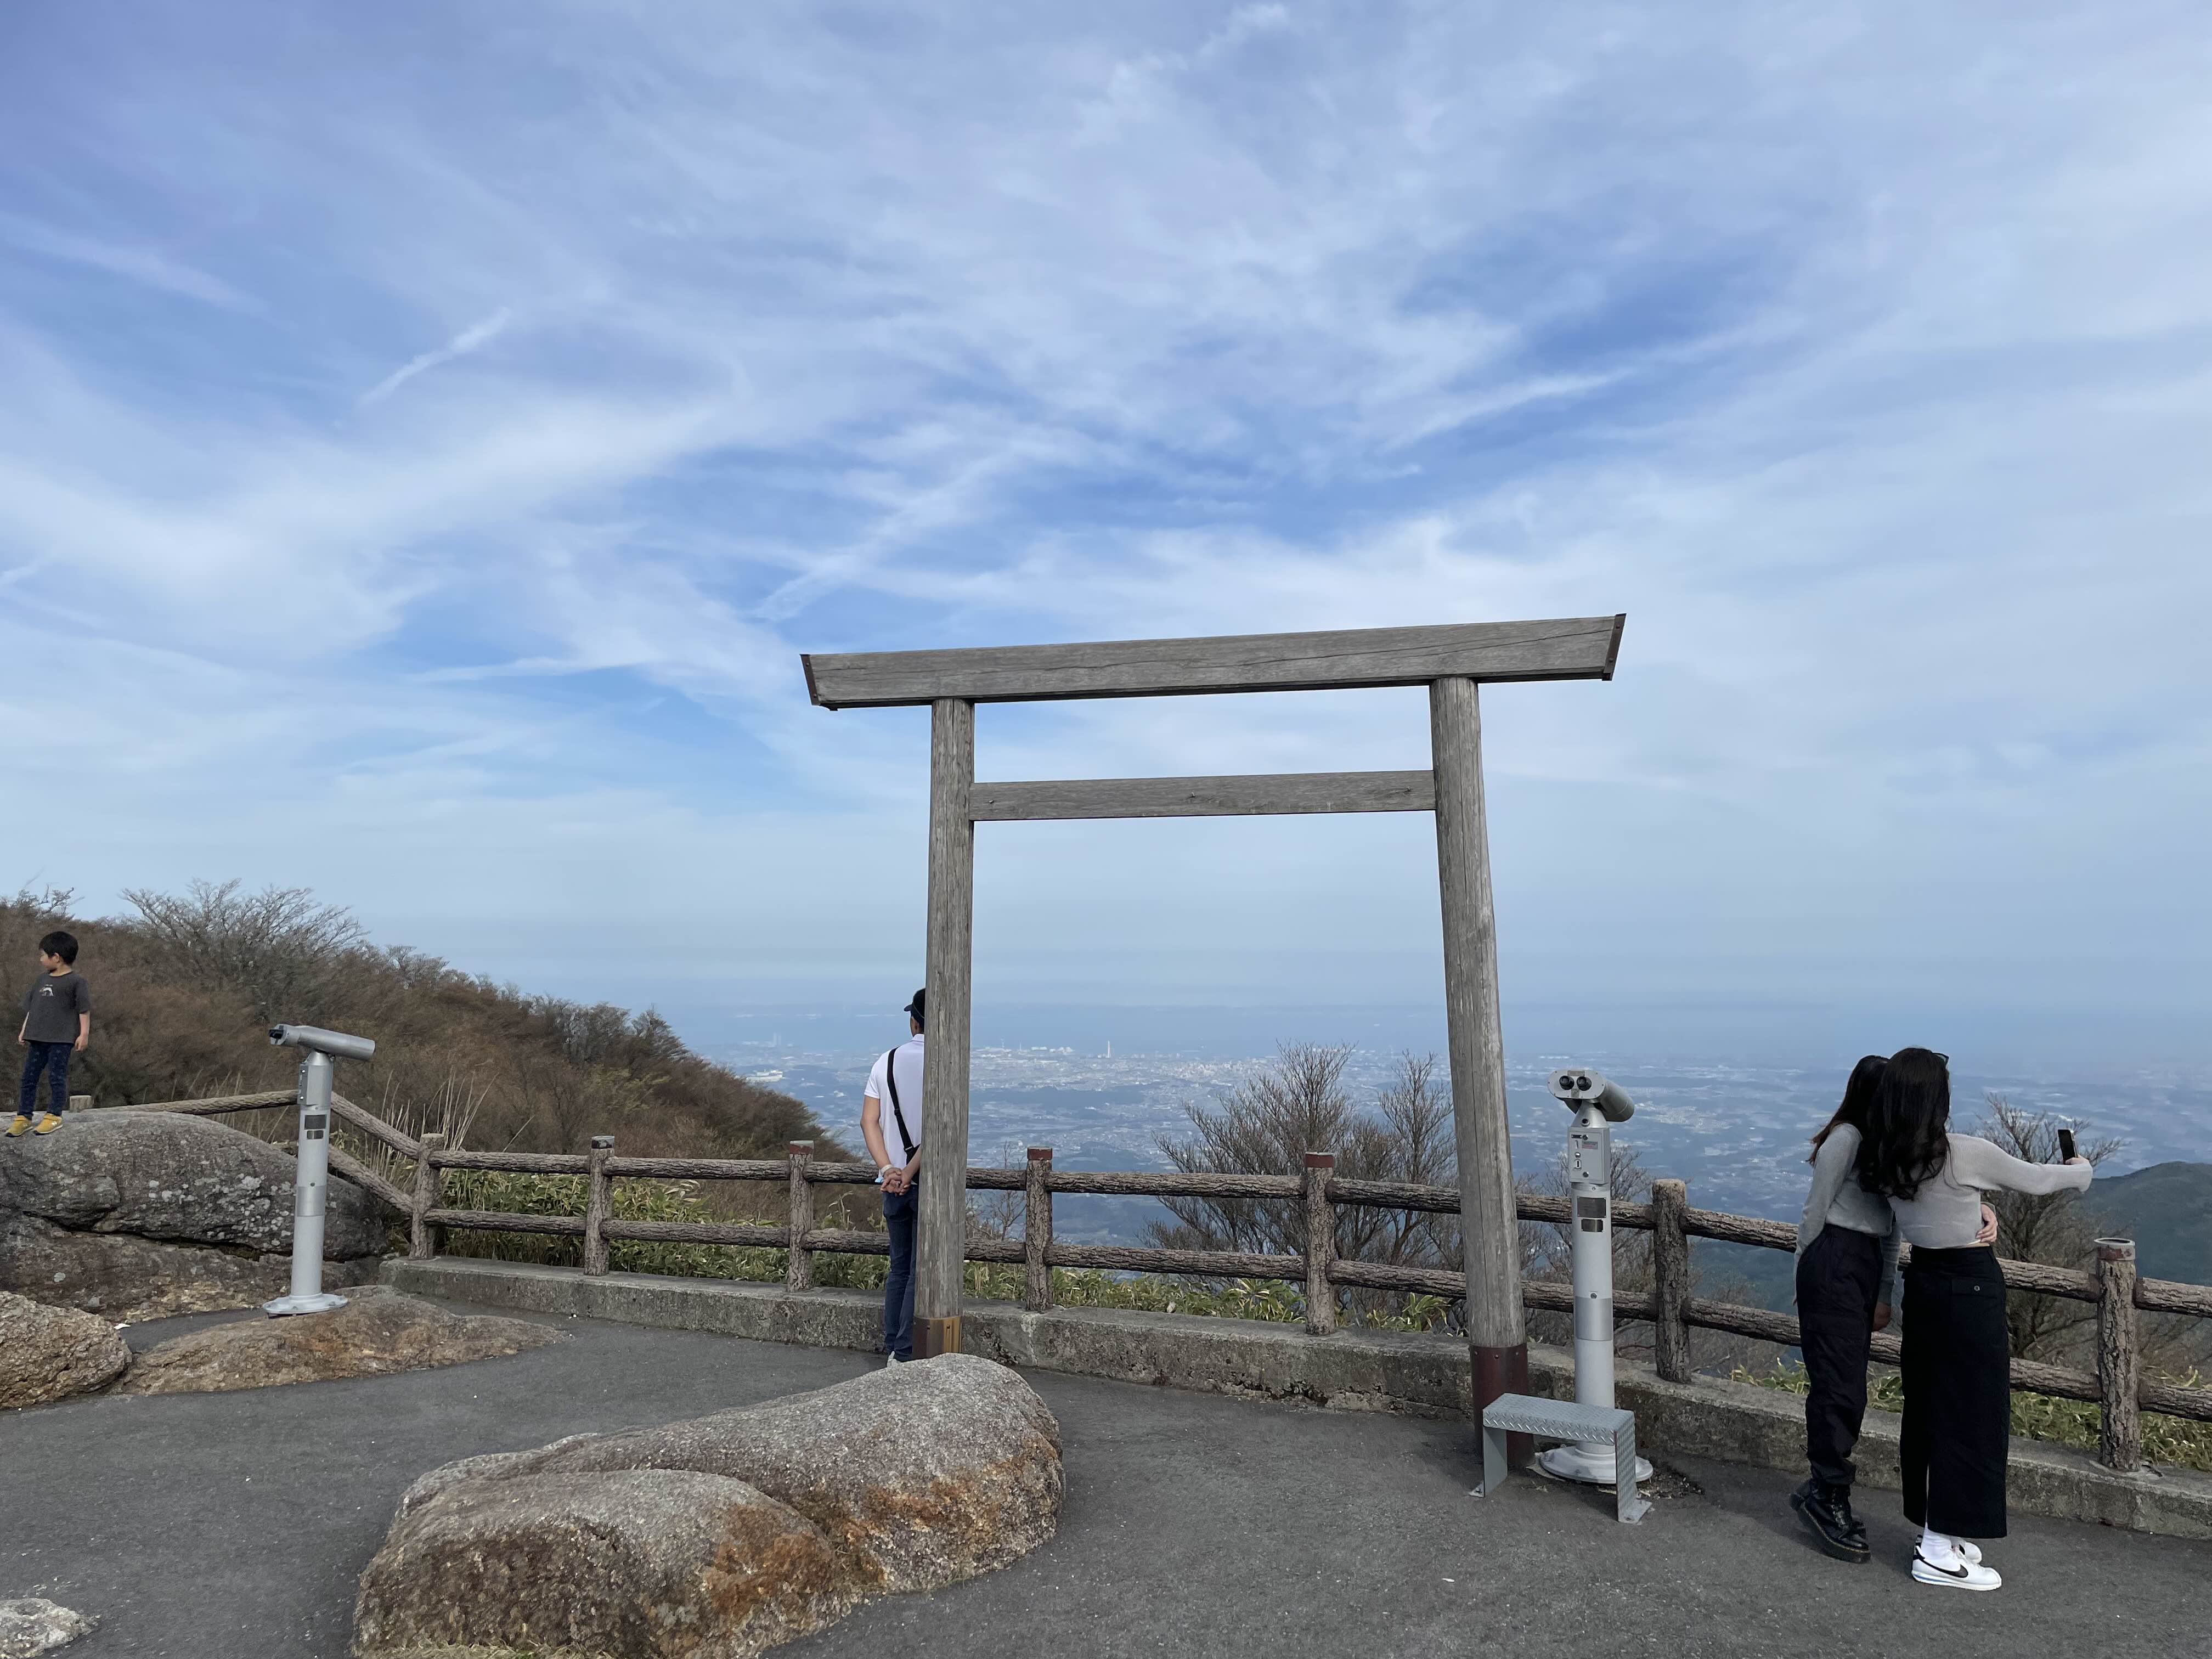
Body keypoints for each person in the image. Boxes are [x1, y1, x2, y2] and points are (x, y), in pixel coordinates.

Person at [1859, 1046, 2091, 1592]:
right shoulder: (1961, 1153)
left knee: (1930, 1408)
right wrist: (2081, 1170)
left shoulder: (1882, 1157)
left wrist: (1978, 1208)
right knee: (1973, 1414)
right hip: (1970, 1287)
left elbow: (1934, 1210)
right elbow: (2040, 1180)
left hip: (1925, 1285)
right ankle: (1938, 1549)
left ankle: (1938, 1529)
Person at [1791, 1056, 1998, 1561]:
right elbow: (1814, 1213)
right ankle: (1827, 1494)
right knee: (1840, 1388)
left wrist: (1884, 1292)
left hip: (1860, 1264)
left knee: (1847, 1385)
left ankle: (1823, 1488)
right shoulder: (1847, 1140)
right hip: (1834, 1258)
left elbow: (1895, 1226)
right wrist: (1806, 1273)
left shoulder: (1890, 1152)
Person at [861, 988, 925, 1364]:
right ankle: (904, 1352)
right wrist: (910, 1173)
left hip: (891, 1185)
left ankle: (892, 1345)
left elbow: (869, 1121)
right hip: (925, 1183)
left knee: (899, 1266)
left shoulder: (885, 1062)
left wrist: (889, 1170)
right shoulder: (944, 1065)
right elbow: (939, 1129)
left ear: (914, 1022)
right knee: (919, 1268)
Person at [10, 930, 91, 1138]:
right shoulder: (41, 980)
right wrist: (25, 1029)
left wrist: (83, 1035)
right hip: (37, 1037)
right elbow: (33, 1007)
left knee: (56, 1077)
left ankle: (54, 1115)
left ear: (56, 957)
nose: (41, 959)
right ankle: (24, 1117)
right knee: (29, 1078)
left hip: (61, 1039)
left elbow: (84, 1010)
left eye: (43, 955)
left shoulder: (76, 982)